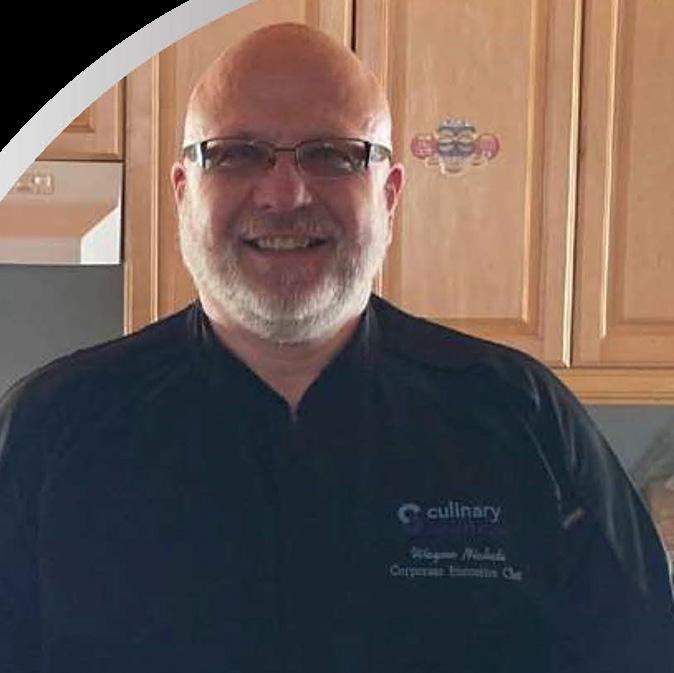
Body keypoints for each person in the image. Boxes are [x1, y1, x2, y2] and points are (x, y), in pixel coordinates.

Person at [0, 22, 672, 673]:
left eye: (332, 154)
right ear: (184, 192)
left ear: (389, 195)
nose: (284, 193)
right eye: (235, 153)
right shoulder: (50, 433)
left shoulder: (522, 418)